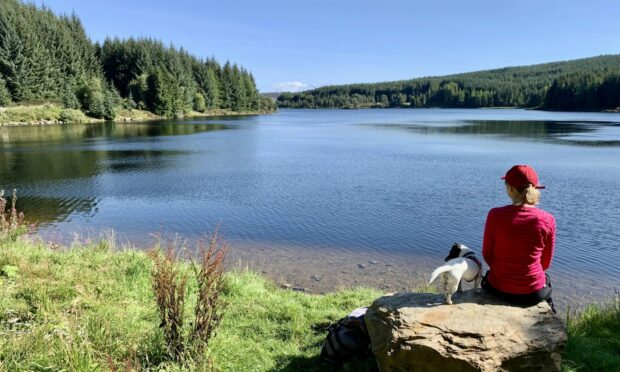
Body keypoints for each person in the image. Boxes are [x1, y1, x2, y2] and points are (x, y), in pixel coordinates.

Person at [481, 164, 556, 312]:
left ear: (510, 189)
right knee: (546, 279)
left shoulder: (495, 215)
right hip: (533, 294)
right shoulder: (548, 219)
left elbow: (487, 255)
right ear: (534, 189)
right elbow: (545, 263)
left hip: (498, 289)